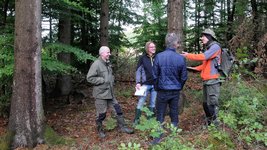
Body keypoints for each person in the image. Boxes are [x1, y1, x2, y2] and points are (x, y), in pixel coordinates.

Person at [86, 46, 134, 138]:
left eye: (109, 52)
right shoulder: (96, 64)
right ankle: (100, 131)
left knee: (118, 110)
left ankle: (123, 127)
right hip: (100, 95)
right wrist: (102, 80)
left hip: (110, 94)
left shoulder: (107, 63)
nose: (109, 54)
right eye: (108, 52)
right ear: (102, 53)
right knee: (101, 114)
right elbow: (89, 78)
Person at [151, 33, 188, 144]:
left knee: (160, 114)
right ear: (175, 44)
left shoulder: (159, 56)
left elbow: (154, 75)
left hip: (162, 90)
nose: (178, 44)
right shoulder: (180, 59)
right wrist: (179, 87)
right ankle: (173, 136)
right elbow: (184, 77)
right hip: (174, 91)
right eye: (178, 43)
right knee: (174, 112)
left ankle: (157, 138)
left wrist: (157, 87)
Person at [181, 28, 221, 127]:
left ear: (209, 37)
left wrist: (188, 55)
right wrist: (191, 68)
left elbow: (203, 57)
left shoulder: (215, 47)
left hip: (213, 80)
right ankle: (209, 123)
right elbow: (203, 66)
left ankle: (215, 125)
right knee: (205, 104)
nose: (201, 38)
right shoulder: (209, 48)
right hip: (207, 80)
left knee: (212, 104)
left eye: (203, 36)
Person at [133, 41, 157, 125]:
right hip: (145, 84)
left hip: (155, 85)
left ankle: (150, 121)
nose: (153, 48)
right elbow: (138, 71)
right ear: (147, 48)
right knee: (141, 102)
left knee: (153, 103)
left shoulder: (157, 57)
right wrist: (138, 82)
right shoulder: (142, 58)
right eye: (151, 47)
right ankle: (136, 121)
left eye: (154, 47)